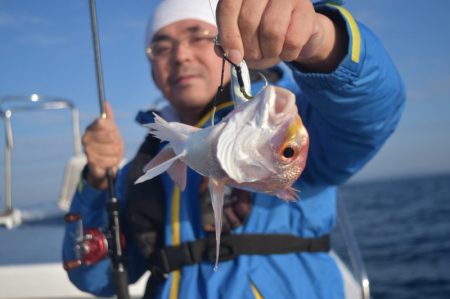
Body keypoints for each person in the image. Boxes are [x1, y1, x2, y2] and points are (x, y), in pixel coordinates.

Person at [63, 0, 405, 298]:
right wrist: (94, 183)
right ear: (152, 67)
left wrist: (321, 41)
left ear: (228, 41)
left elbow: (373, 112)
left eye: (198, 36)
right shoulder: (143, 166)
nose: (180, 55)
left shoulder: (295, 121)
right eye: (162, 47)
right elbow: (95, 278)